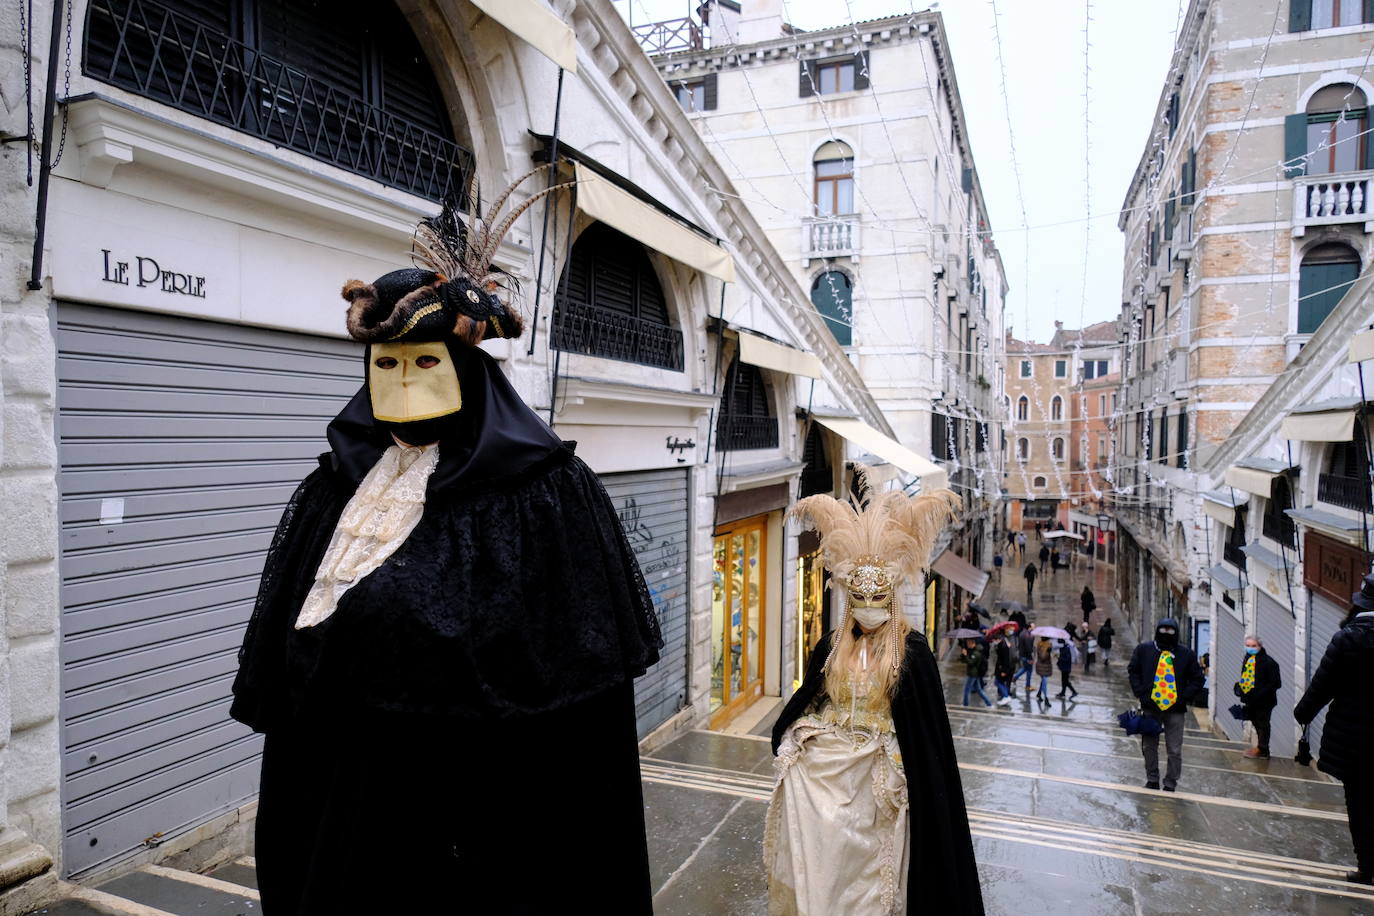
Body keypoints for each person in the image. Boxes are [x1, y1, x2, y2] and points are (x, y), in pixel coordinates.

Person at [229, 186, 664, 914]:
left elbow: (583, 699)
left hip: (489, 821)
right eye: (386, 365)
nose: (402, 384)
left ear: (463, 367)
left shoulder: (547, 495)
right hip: (350, 800)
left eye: (423, 362)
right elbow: (289, 661)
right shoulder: (334, 491)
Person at [768, 474, 983, 913]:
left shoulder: (913, 653)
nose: (868, 609)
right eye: (860, 600)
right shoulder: (830, 647)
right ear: (849, 599)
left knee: (871, 869)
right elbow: (812, 698)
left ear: (890, 598)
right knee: (827, 858)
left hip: (882, 776)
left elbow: (927, 734)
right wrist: (799, 732)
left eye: (877, 599)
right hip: (830, 765)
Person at [1295, 572, 1374, 885]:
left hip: (1353, 742)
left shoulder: (1347, 638)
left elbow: (1322, 684)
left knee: (1360, 804)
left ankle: (1368, 868)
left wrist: (1303, 713)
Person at [1127, 618, 1204, 791]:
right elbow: (1133, 671)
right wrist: (1141, 693)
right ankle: (1152, 778)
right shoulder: (1144, 650)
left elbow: (1198, 679)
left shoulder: (1186, 654)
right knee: (1149, 746)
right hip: (1150, 707)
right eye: (1163, 630)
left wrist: (1183, 697)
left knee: (1175, 749)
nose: (1166, 634)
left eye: (1171, 630)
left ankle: (1170, 782)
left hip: (1175, 710)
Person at [1235, 635, 1281, 759]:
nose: (1250, 648)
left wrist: (1259, 693)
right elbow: (1246, 676)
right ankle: (1260, 747)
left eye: (1253, 646)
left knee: (1263, 723)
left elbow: (1276, 683)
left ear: (1260, 646)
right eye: (1248, 646)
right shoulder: (1248, 659)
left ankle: (1263, 749)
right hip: (1250, 699)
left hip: (1265, 701)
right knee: (1255, 721)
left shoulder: (1269, 663)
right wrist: (1240, 688)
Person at [961, 639, 994, 707]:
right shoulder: (972, 651)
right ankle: (989, 704)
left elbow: (971, 662)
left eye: (969, 644)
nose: (967, 645)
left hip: (973, 674)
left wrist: (966, 655)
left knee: (967, 690)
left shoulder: (976, 653)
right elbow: (965, 661)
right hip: (974, 674)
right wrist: (963, 655)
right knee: (979, 690)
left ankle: (965, 704)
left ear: (973, 644)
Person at [993, 631, 1015, 707]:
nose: (993, 642)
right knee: (999, 682)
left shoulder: (1003, 646)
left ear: (998, 639)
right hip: (1001, 668)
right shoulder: (1001, 645)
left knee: (997, 682)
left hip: (1002, 668)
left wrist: (1004, 671)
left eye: (994, 640)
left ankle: (1006, 696)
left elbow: (1005, 659)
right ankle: (1006, 696)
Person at [1034, 635, 1054, 708]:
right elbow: (1042, 657)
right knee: (1044, 682)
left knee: (1043, 681)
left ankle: (1039, 694)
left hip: (1045, 667)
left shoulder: (1048, 644)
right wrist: (1048, 652)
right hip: (1043, 667)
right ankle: (1046, 699)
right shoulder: (1041, 645)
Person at [1017, 624, 1037, 695]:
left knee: (1025, 668)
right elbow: (1028, 648)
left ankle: (1015, 677)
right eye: (1033, 627)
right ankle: (1028, 686)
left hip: (1022, 655)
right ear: (1029, 627)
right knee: (1029, 670)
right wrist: (1030, 658)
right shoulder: (1028, 635)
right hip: (1026, 656)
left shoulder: (1022, 633)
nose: (1034, 628)